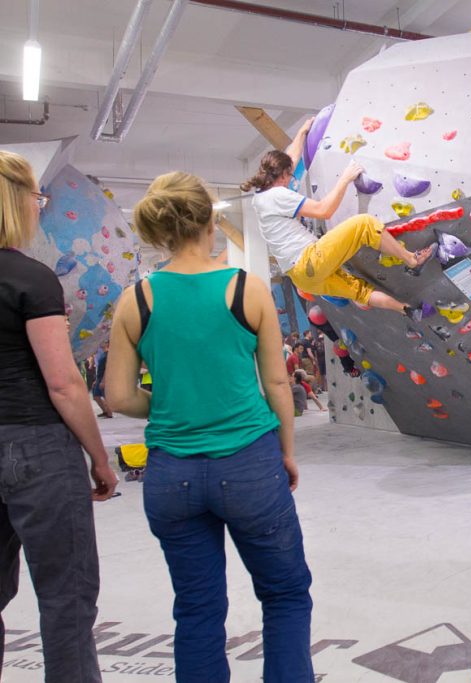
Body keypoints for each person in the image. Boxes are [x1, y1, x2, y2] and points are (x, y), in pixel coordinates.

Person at [105, 171, 314, 682]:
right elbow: (278, 386)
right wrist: (286, 452)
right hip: (249, 466)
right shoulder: (247, 289)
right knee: (285, 595)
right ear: (210, 221)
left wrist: (173, 401)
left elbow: (118, 396)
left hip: (170, 477)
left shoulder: (137, 300)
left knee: (197, 609)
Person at [0, 150, 118, 682]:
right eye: (37, 199)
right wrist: (99, 457)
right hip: (37, 449)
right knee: (66, 600)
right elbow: (64, 382)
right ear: (17, 202)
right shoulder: (31, 278)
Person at [242, 120, 435, 317]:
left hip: (302, 278)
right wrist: (346, 178)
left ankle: (407, 310)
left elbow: (290, 159)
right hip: (309, 260)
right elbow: (323, 210)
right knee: (365, 224)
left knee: (359, 291)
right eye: (289, 175)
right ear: (281, 176)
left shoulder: (261, 196)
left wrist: (301, 132)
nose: (292, 179)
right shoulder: (278, 195)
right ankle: (412, 260)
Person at [92, 340, 113, 417]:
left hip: (104, 378)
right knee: (96, 396)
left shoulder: (108, 355)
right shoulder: (102, 354)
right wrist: (96, 380)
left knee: (105, 396)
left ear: (108, 344)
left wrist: (103, 381)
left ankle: (109, 413)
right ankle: (105, 411)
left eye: (104, 342)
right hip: (99, 377)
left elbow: (108, 369)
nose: (101, 343)